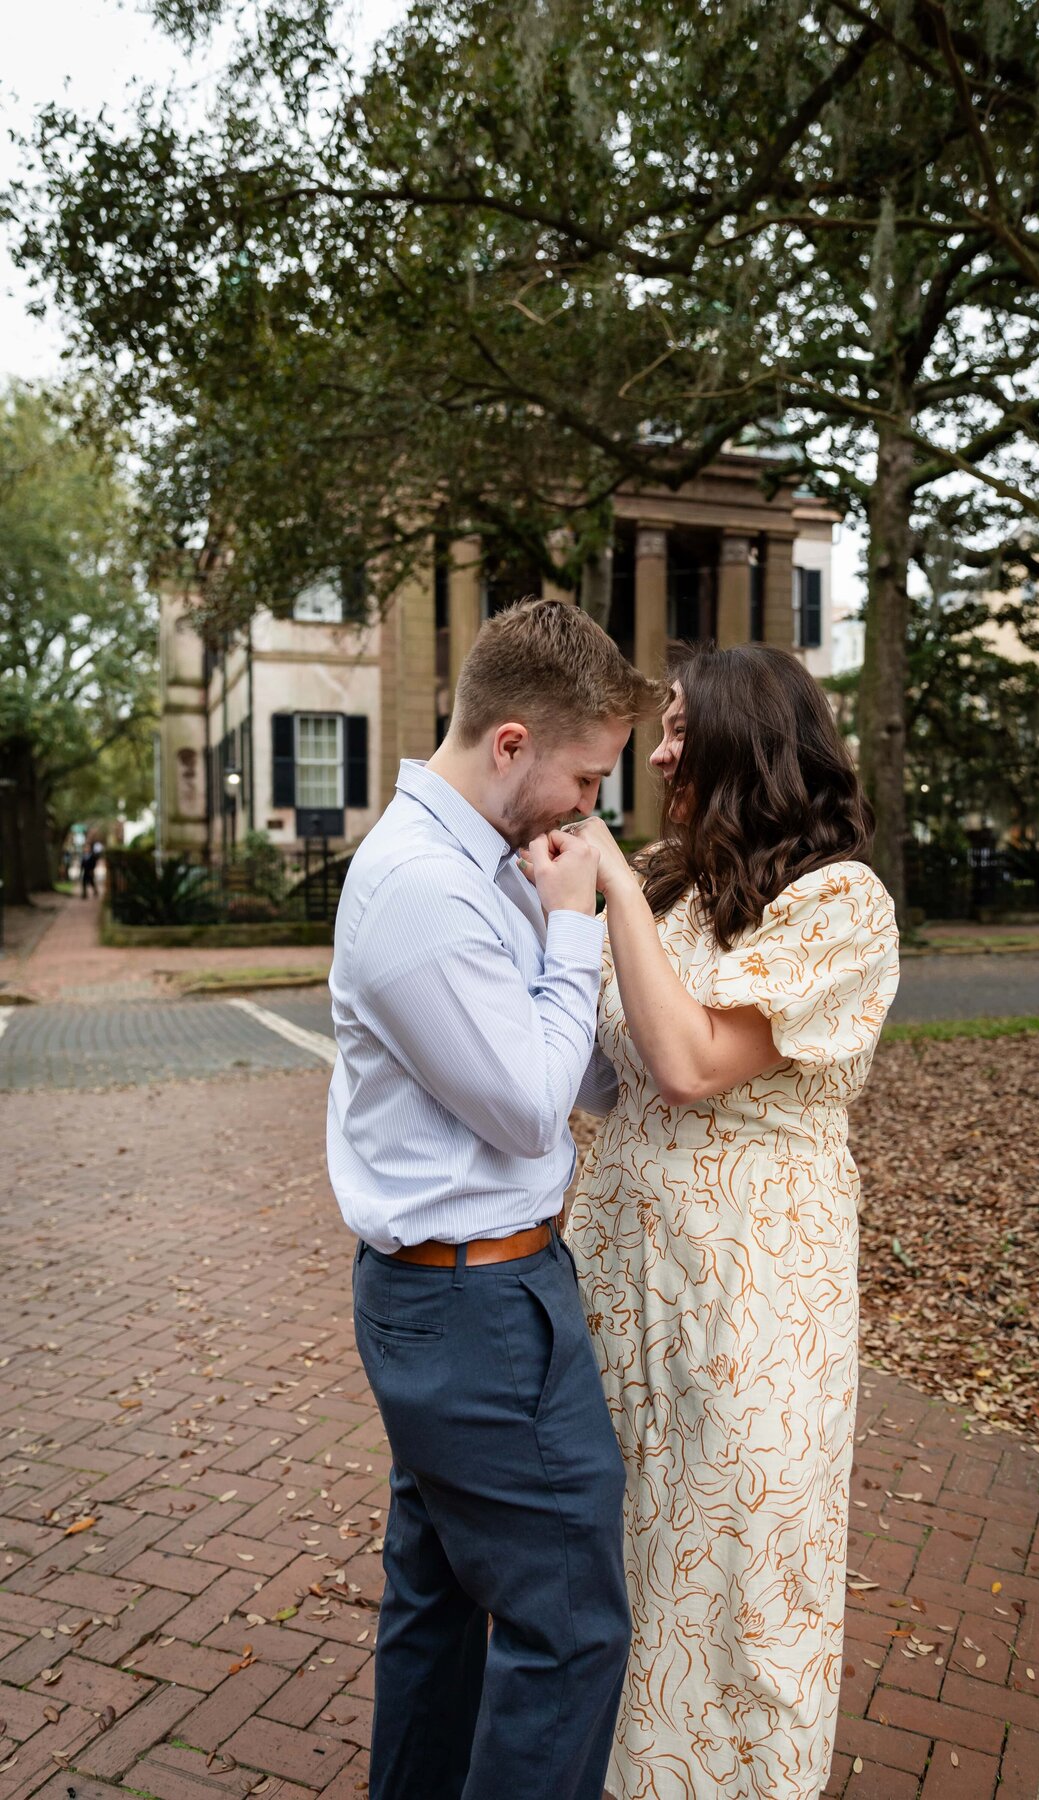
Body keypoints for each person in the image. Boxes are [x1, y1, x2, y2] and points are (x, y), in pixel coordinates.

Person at [326, 598, 661, 1800]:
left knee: (440, 1601)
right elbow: (530, 1108)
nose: (592, 809)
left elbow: (589, 1075)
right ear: (511, 743)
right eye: (585, 777)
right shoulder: (424, 889)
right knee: (571, 1624)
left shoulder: (484, 868)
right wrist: (571, 923)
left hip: (474, 1295)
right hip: (473, 1313)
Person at [566, 643, 901, 1800]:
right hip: (618, 1266)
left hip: (754, 1292)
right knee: (621, 1549)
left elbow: (692, 1063)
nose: (656, 753)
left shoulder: (840, 903)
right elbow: (594, 1070)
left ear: (743, 741)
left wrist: (607, 880)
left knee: (737, 1566)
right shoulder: (670, 884)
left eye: (674, 728)